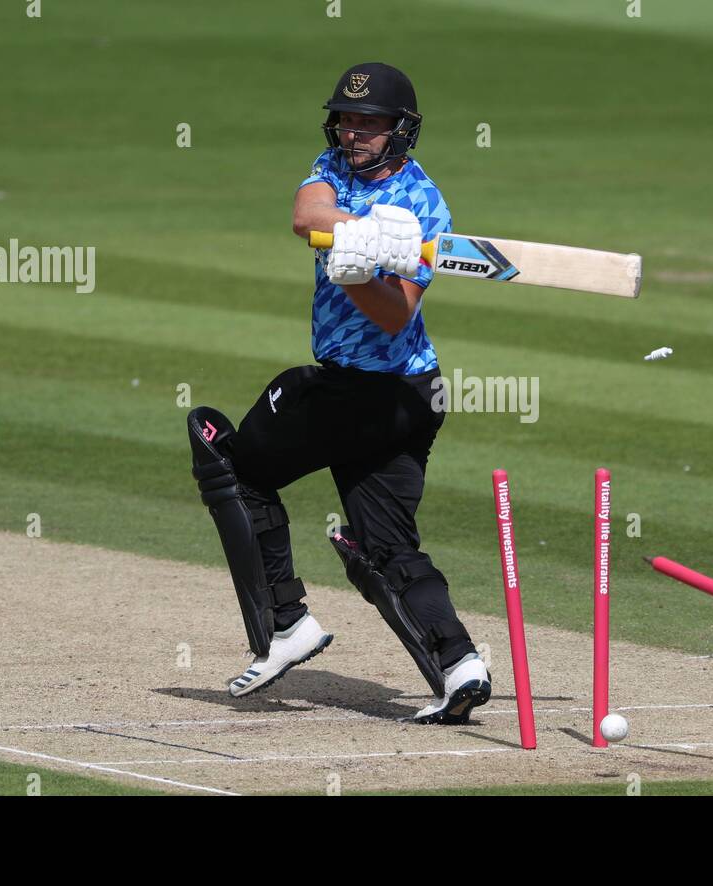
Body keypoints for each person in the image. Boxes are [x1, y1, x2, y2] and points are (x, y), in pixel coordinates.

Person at [185, 62, 489, 725]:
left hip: (382, 392)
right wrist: (359, 234)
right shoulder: (334, 168)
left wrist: (357, 270)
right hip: (400, 400)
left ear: (401, 131)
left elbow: (392, 314)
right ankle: (460, 663)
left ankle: (286, 624)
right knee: (384, 546)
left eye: (369, 123)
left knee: (231, 462)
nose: (354, 132)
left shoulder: (426, 206)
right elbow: (305, 215)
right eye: (347, 120)